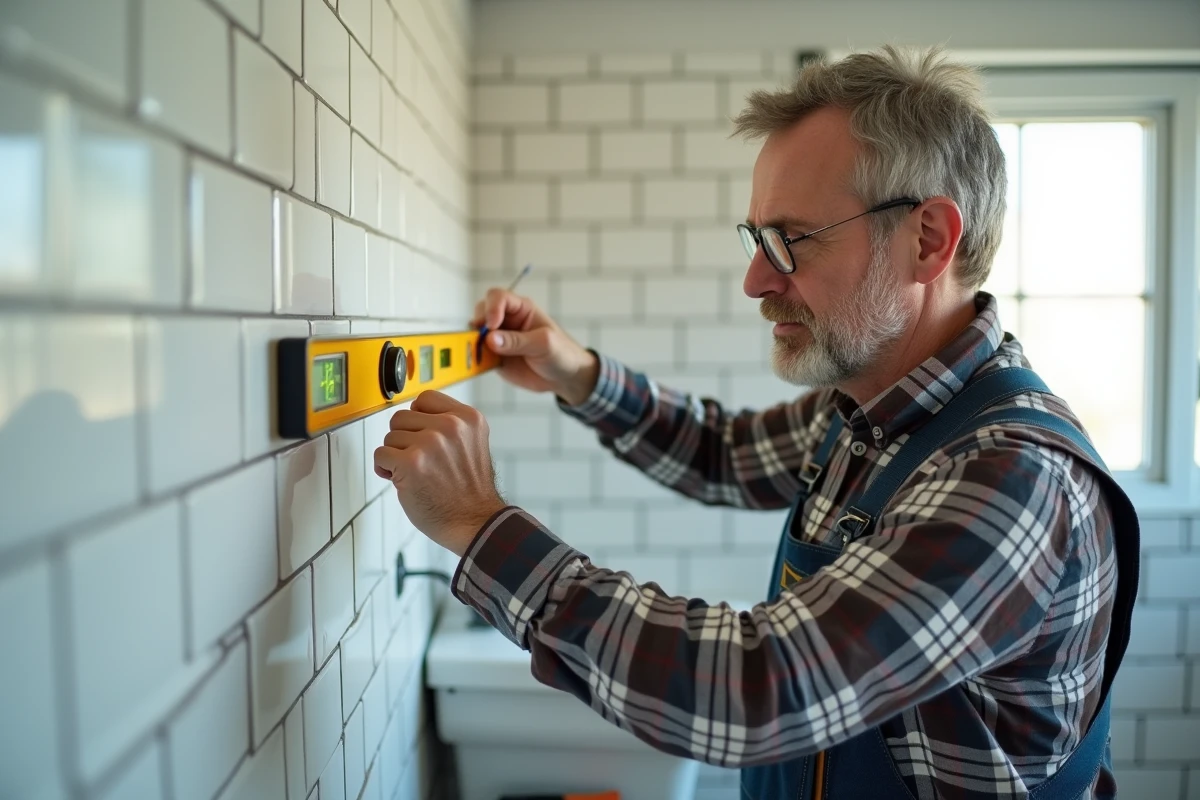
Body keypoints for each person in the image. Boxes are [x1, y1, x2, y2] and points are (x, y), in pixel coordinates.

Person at [373, 45, 1139, 799]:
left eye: (789, 241)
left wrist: (481, 528)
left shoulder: (1010, 479)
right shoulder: (871, 411)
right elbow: (724, 453)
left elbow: (760, 692)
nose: (755, 279)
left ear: (928, 241)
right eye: (755, 239)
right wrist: (578, 373)